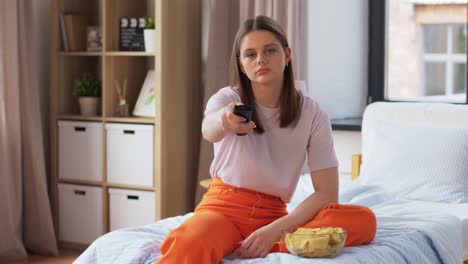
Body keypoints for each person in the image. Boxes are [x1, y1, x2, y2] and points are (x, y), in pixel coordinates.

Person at [157, 15, 376, 263]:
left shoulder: (313, 113)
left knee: (363, 220)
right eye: (250, 54)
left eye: (270, 50)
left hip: (275, 216)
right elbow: (209, 129)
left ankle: (274, 243)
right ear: (241, 64)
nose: (260, 59)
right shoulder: (227, 99)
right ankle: (287, 245)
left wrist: (274, 231)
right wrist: (224, 121)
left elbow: (326, 194)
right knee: (191, 240)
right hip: (223, 209)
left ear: (287, 54)